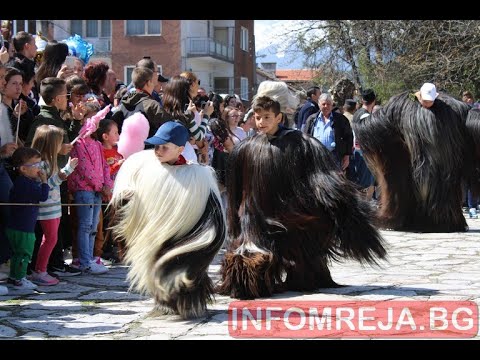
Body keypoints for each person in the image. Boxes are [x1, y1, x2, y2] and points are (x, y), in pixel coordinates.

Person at [217, 96, 386, 299]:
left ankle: (302, 276)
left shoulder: (299, 143)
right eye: (258, 117)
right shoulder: (246, 148)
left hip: (291, 211)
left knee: (302, 255)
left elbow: (321, 174)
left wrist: (333, 195)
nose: (261, 122)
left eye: (267, 117)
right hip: (259, 213)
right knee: (252, 258)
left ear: (279, 117)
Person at [30, 125, 78, 286]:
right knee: (50, 239)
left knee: (51, 239)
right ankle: (40, 271)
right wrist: (66, 171)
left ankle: (41, 269)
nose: (61, 146)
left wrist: (66, 169)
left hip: (54, 207)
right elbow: (47, 185)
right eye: (58, 142)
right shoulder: (41, 165)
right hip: (46, 209)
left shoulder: (51, 162)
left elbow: (54, 180)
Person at [6, 147, 49, 290]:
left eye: (40, 164)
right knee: (24, 254)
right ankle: (19, 279)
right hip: (23, 228)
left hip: (18, 226)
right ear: (23, 169)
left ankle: (14, 277)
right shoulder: (26, 184)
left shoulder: (22, 182)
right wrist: (44, 182)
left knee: (18, 254)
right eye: (35, 165)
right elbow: (43, 196)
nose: (39, 168)